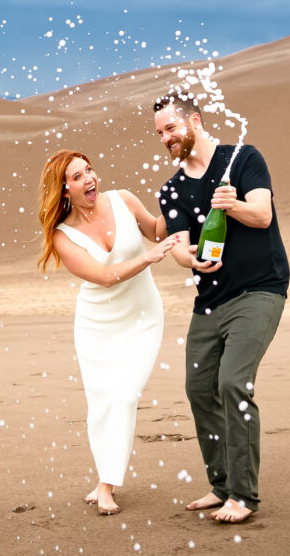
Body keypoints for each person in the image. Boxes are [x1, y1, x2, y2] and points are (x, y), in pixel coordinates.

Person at [153, 89, 289, 524]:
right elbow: (178, 244)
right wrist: (190, 259)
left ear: (194, 120)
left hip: (259, 289)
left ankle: (243, 497)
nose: (165, 138)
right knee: (198, 390)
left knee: (233, 383)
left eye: (171, 127)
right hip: (209, 300)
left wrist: (232, 206)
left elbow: (263, 216)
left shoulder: (243, 160)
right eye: (159, 132)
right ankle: (221, 484)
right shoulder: (172, 188)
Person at [37, 149, 180, 515]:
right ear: (64, 189)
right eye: (78, 176)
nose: (90, 179)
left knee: (126, 394)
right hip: (97, 325)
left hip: (143, 317)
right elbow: (102, 277)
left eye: (89, 170)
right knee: (101, 403)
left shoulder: (124, 199)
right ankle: (105, 480)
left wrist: (179, 199)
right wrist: (147, 258)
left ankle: (106, 485)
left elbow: (155, 230)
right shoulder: (62, 236)